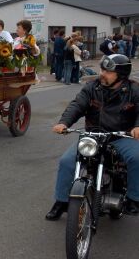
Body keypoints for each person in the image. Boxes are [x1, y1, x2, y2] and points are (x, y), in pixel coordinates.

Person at [46, 54, 139, 220]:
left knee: (137, 158)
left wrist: (137, 127)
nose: (103, 73)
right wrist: (64, 123)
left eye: (108, 71)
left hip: (122, 136)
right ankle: (61, 201)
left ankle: (134, 199)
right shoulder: (92, 87)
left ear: (121, 75)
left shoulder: (133, 89)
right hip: (94, 135)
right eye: (102, 69)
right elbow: (77, 105)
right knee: (67, 161)